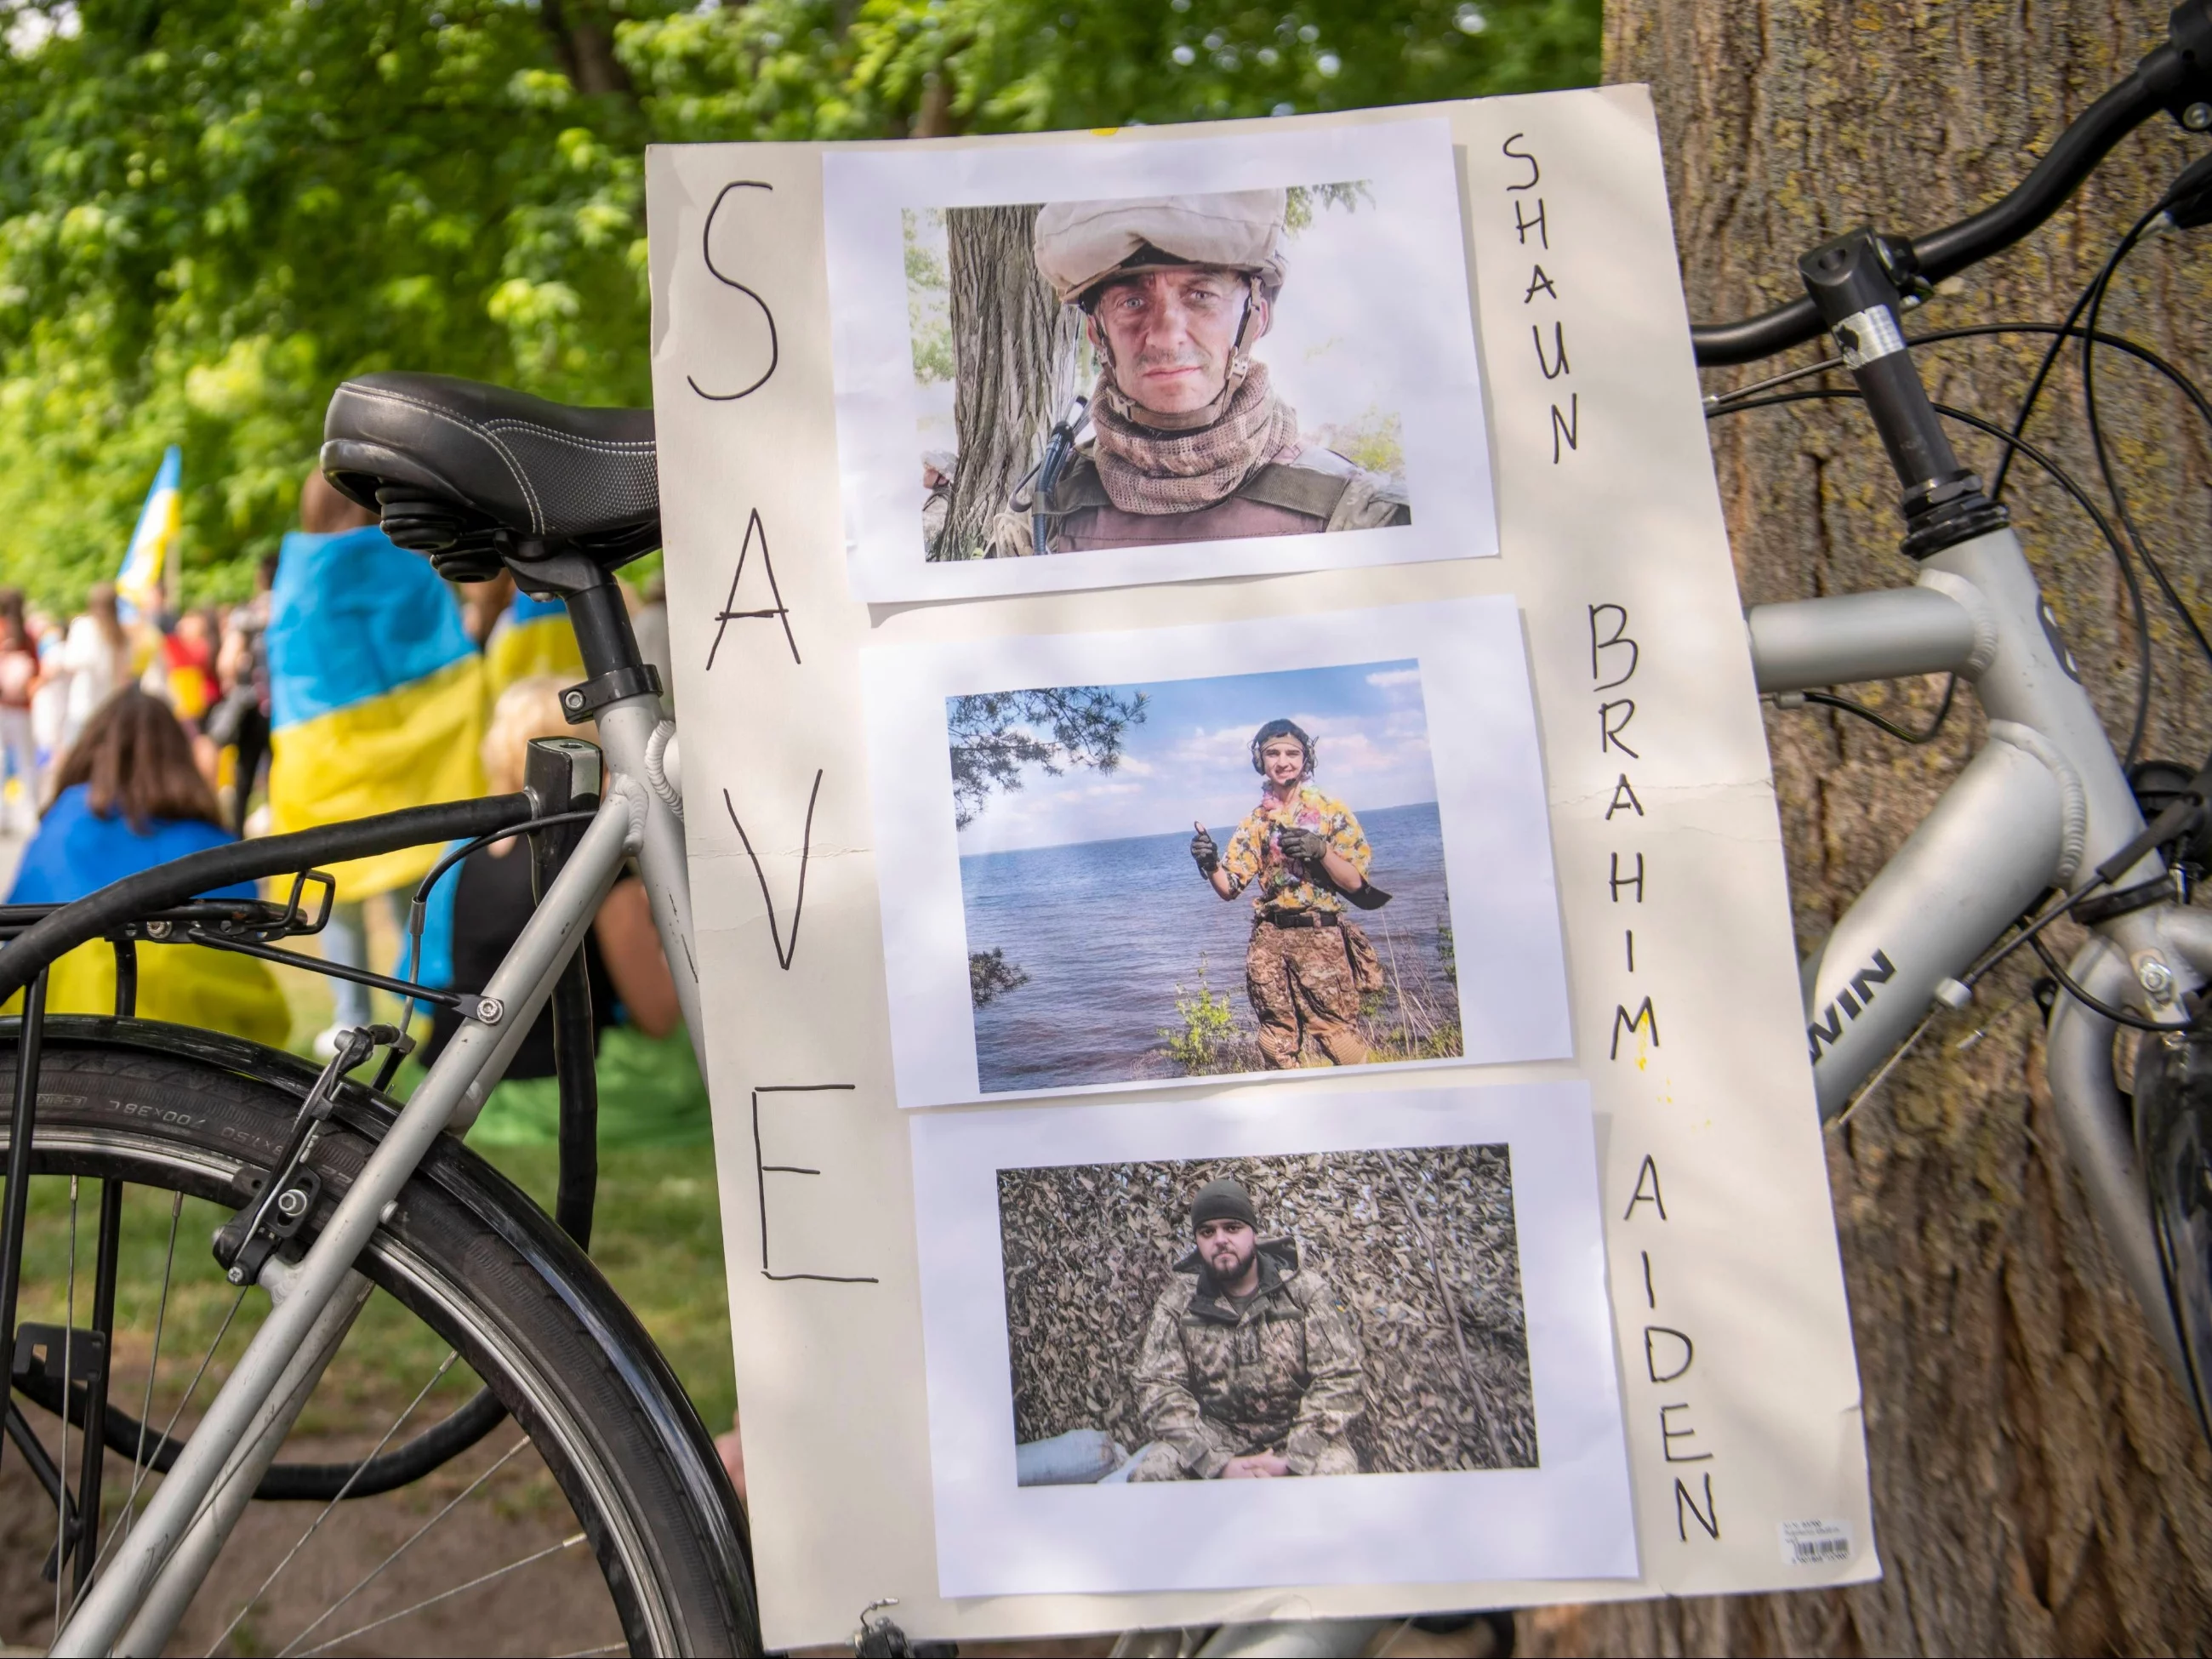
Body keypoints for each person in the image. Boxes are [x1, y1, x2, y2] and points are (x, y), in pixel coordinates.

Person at [989, 191, 1410, 556]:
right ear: (1098, 332)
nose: (1166, 337)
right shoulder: (1043, 516)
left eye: (1201, 295)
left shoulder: (1357, 516)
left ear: (1256, 319)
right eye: (1132, 302)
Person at [407, 676, 708, 1149]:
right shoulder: (595, 862)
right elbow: (660, 1014)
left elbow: (431, 982)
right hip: (555, 1086)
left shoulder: (464, 852)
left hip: (451, 1079)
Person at [266, 465, 487, 1058]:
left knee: (336, 898)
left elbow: (291, 671)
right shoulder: (410, 568)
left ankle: (352, 1020)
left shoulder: (298, 580)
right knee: (414, 890)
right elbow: (445, 656)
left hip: (327, 764)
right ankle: (427, 1012)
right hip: (409, 760)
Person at [3, 689, 288, 1044]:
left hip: (50, 1035)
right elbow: (248, 961)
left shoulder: (62, 821)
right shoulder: (214, 841)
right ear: (180, 757)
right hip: (194, 1045)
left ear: (92, 748)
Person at [1123, 1176, 1364, 1481]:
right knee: (1153, 1474)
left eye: (1232, 1228)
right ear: (1197, 1241)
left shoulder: (1305, 1292)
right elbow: (1157, 1388)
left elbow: (1340, 1377)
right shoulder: (1178, 1302)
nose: (1220, 1239)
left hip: (1297, 1434)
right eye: (1207, 1231)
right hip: (1215, 1438)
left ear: (1253, 1232)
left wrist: (1295, 1457)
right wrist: (1217, 1463)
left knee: (1336, 1475)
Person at [1189, 718, 1388, 1069]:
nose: (1283, 761)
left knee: (1339, 1038)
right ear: (1260, 761)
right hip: (1269, 941)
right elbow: (1229, 888)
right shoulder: (1256, 822)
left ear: (1305, 758)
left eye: (1292, 753)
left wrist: (1322, 850)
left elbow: (1356, 884)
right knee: (1274, 1042)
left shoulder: (1330, 811)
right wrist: (1209, 863)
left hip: (1320, 937)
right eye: (1273, 753)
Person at [209, 556, 276, 837]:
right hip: (285, 708)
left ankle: (238, 841)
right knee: (279, 776)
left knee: (245, 778)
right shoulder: (293, 608)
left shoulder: (248, 614)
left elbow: (227, 661)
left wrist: (233, 678)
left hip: (251, 707)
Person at [58, 583, 134, 752]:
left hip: (83, 706)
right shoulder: (122, 635)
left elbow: (70, 662)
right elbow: (125, 677)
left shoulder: (84, 626)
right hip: (110, 707)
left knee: (76, 757)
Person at [0, 589, 42, 833]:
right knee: (27, 761)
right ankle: (30, 814)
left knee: (1, 760)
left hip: (2, 706)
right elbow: (37, 669)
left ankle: (2, 816)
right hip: (22, 708)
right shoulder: (26, 635)